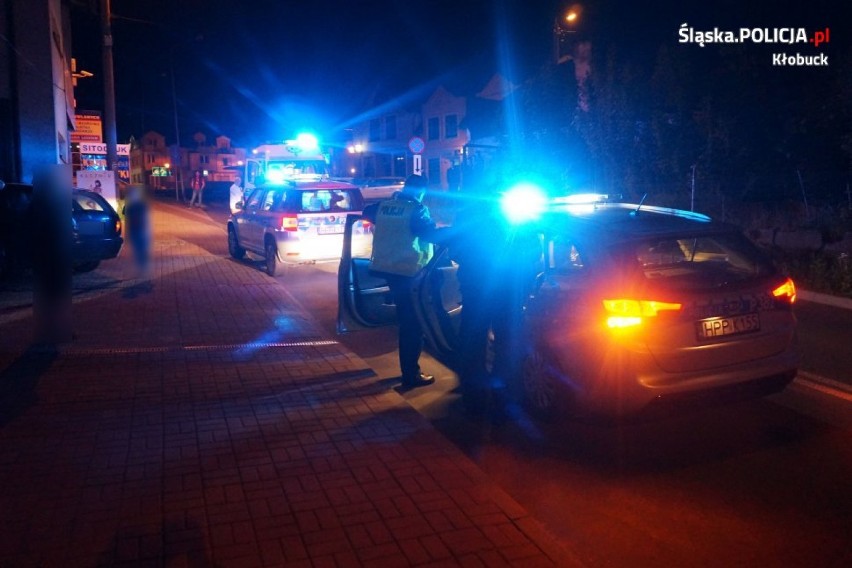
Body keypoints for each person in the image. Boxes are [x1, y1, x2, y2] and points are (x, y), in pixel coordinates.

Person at [449, 175, 541, 419]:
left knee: (472, 345)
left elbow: (455, 251)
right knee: (508, 344)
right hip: (509, 290)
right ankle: (506, 402)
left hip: (475, 289)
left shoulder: (466, 215)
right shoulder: (516, 215)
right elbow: (534, 252)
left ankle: (474, 403)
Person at [367, 174, 443, 389]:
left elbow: (367, 212)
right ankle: (411, 375)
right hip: (410, 272)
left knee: (407, 321)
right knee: (413, 325)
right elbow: (431, 235)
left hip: (387, 269)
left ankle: (409, 370)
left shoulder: (384, 206)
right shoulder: (417, 209)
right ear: (421, 191)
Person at [122, 185, 152, 280]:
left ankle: (143, 271)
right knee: (139, 251)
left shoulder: (137, 205)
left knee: (141, 251)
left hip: (139, 231)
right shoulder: (132, 205)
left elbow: (145, 219)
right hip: (136, 230)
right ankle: (142, 270)